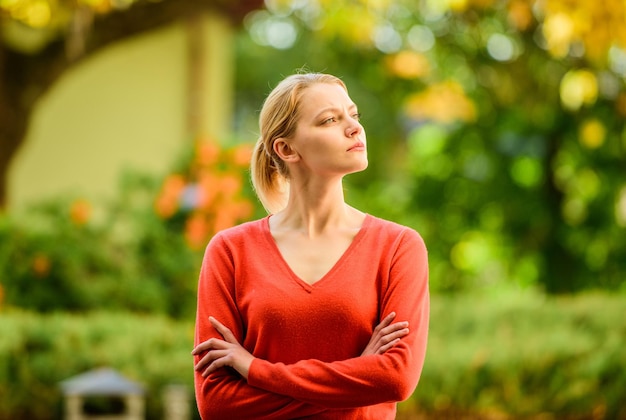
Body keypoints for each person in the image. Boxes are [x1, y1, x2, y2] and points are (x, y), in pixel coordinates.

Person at [191, 72, 429, 419]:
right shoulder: (230, 250)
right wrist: (357, 376)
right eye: (330, 120)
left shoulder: (397, 247)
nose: (353, 127)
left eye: (353, 114)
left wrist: (255, 370)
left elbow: (396, 378)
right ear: (286, 149)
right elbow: (216, 404)